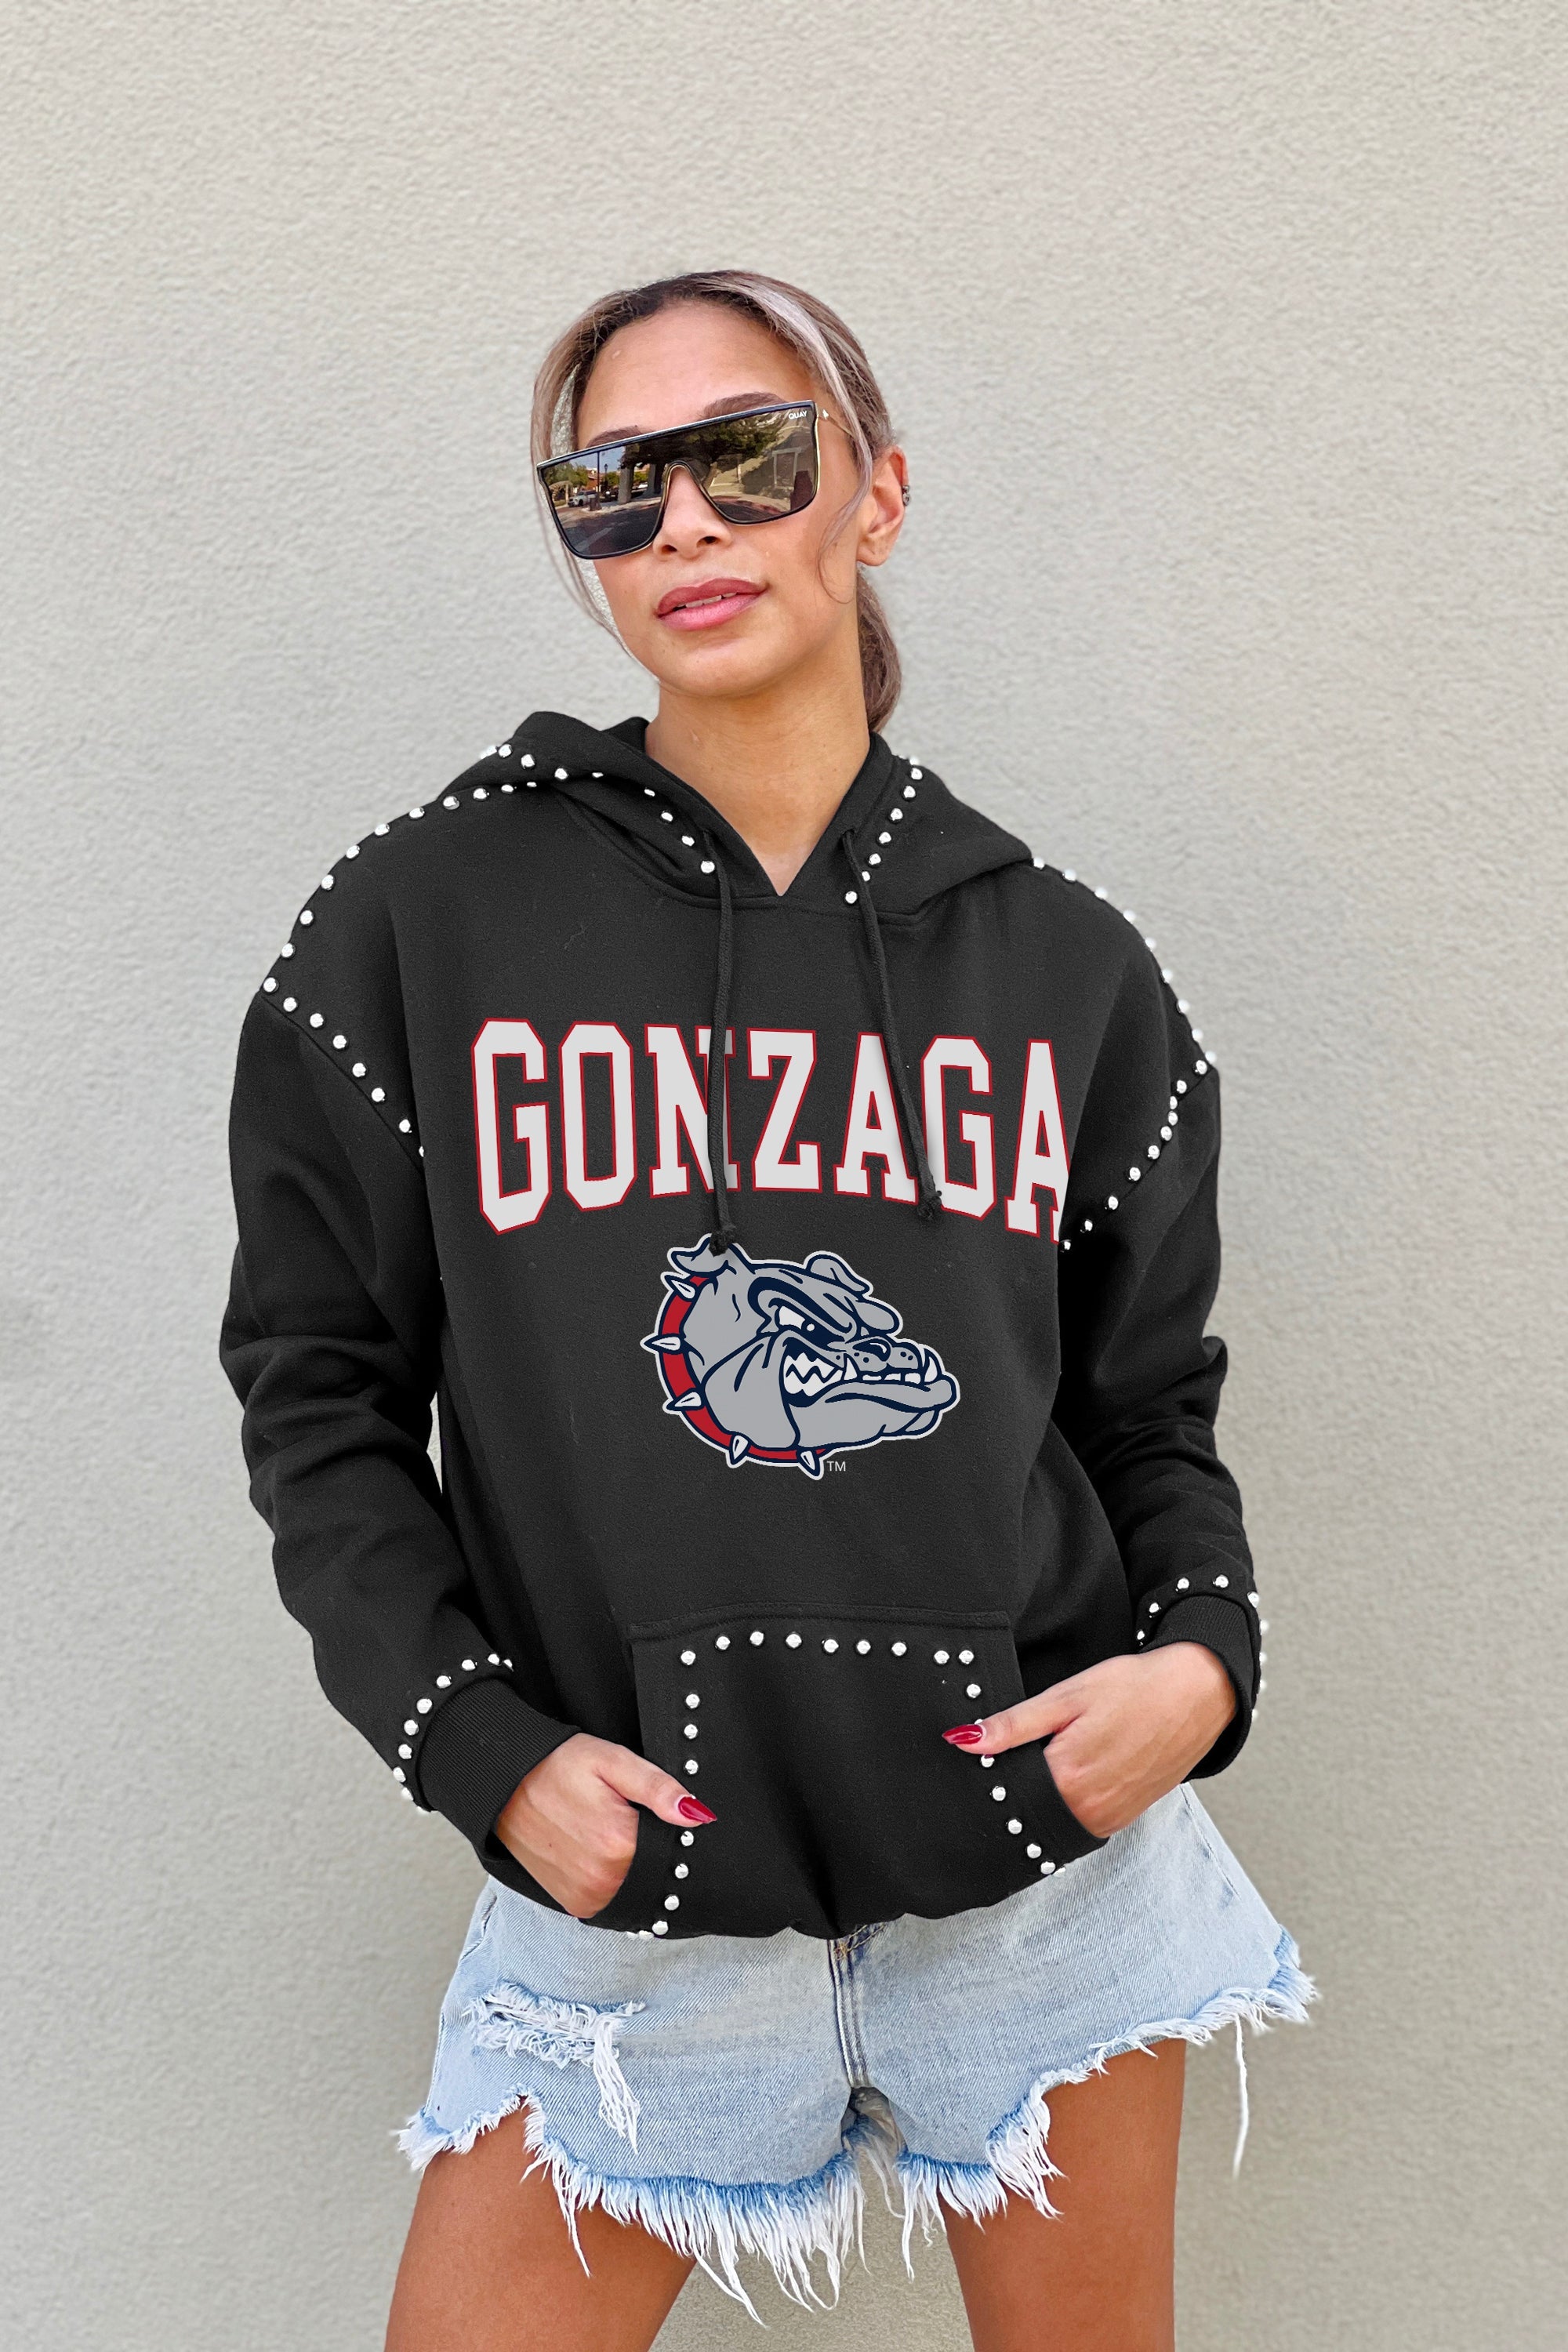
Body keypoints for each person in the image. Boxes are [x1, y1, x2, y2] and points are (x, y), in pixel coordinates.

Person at [221, 269, 1313, 2351]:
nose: (685, 523)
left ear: (875, 493)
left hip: (1047, 1885)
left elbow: (1148, 1410)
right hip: (636, 1902)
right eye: (611, 487)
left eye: (747, 454)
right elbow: (318, 1391)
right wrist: (477, 1747)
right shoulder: (415, 930)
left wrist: (1201, 1664)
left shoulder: (1071, 972)